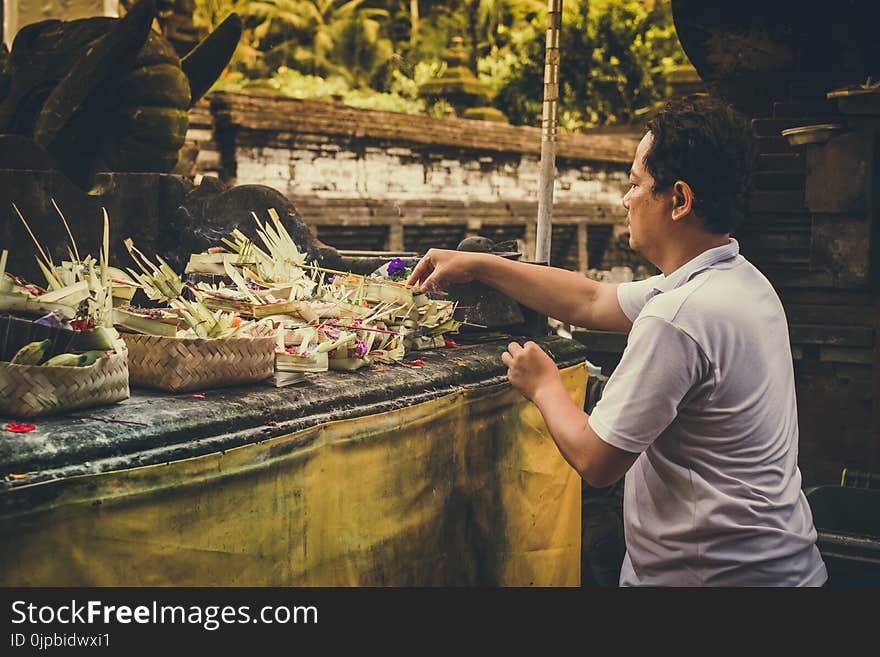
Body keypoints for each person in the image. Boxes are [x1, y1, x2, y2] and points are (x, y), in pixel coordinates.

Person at [407, 95, 827, 587]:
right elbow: (591, 300)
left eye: (635, 184)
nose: (626, 199)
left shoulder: (679, 317)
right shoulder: (738, 281)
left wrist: (543, 384)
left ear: (680, 200)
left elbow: (596, 459)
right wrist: (480, 265)